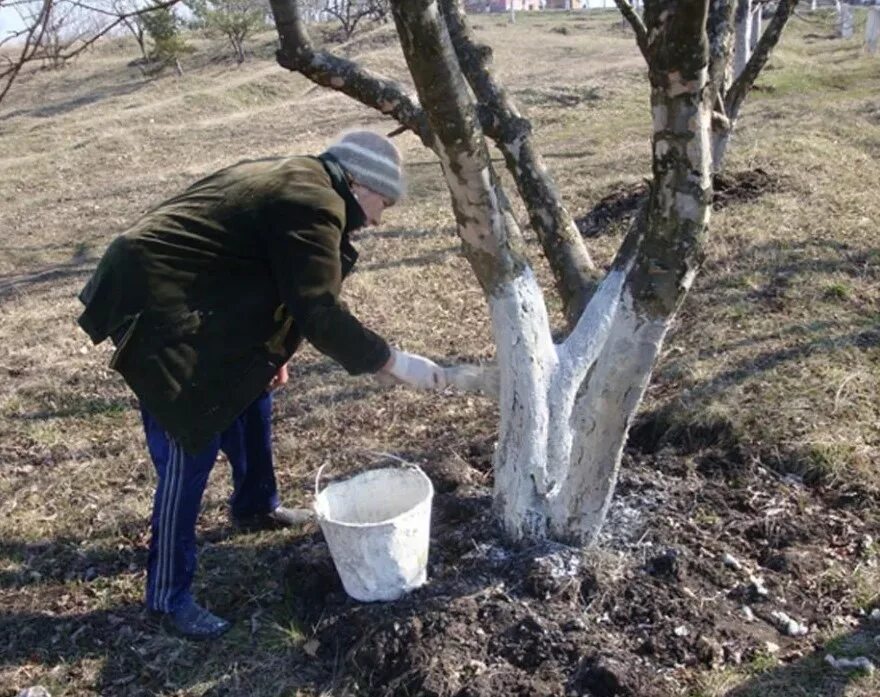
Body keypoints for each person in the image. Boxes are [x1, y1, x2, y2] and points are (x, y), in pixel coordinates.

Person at [77, 130, 458, 639]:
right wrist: (393, 362)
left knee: (252, 394)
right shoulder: (313, 202)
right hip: (157, 301)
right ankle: (167, 597)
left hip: (200, 295)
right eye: (381, 203)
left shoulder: (308, 183)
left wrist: (272, 352)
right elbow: (318, 308)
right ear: (358, 182)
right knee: (189, 439)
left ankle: (256, 505)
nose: (377, 219)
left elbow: (273, 275)